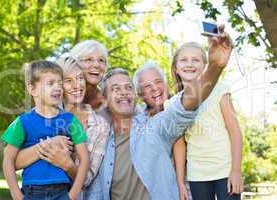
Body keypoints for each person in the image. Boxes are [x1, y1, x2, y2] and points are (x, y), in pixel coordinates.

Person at [85, 26, 232, 200]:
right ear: (105, 99)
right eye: (115, 89)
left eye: (128, 87)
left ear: (134, 95)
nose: (123, 92)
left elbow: (186, 104)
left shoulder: (153, 126)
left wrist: (214, 67)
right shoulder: (97, 138)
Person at [14, 57, 109, 195]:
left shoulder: (100, 125)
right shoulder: (41, 114)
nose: (77, 85)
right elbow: (13, 162)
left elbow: (87, 179)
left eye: (80, 78)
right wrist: (49, 145)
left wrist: (66, 163)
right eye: (68, 81)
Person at [1, 60, 89, 200]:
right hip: (32, 192)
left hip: (62, 191)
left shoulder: (71, 120)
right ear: (32, 90)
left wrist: (72, 195)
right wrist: (16, 194)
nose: (58, 88)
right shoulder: (22, 122)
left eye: (59, 83)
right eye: (50, 83)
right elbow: (8, 160)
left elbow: (84, 159)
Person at [171, 42, 243, 200]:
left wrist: (236, 170)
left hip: (225, 169)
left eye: (196, 60)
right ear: (175, 67)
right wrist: (180, 182)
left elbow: (235, 132)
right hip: (197, 174)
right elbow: (179, 144)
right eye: (184, 60)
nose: (189, 64)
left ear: (205, 66)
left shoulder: (220, 89)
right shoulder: (172, 104)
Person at [133, 60, 192, 200]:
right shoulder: (139, 120)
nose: (154, 88)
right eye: (147, 86)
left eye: (158, 81)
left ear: (166, 84)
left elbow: (178, 139)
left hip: (186, 187)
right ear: (140, 94)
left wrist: (180, 183)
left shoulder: (179, 106)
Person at [69, 40, 108, 112]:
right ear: (74, 64)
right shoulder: (60, 98)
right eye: (89, 59)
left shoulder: (111, 103)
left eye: (101, 60)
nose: (96, 65)